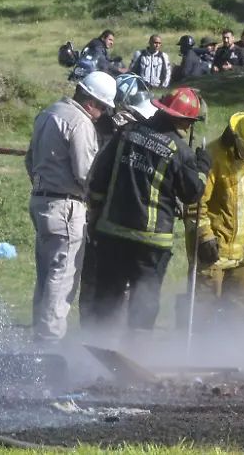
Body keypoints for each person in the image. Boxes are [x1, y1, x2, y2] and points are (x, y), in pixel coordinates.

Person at [87, 87, 211, 337]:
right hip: (151, 242)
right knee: (144, 306)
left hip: (112, 232)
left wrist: (96, 214)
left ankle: (96, 351)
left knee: (106, 299)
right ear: (180, 118)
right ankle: (135, 357)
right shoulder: (180, 151)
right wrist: (202, 167)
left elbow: (98, 178)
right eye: (189, 121)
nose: (188, 126)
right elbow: (191, 193)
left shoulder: (125, 133)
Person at [25, 71, 115, 345]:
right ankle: (50, 344)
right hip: (65, 206)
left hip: (41, 201)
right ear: (91, 103)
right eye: (102, 108)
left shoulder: (48, 113)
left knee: (45, 276)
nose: (101, 115)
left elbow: (30, 160)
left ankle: (39, 339)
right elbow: (86, 172)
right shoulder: (81, 122)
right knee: (62, 278)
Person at [79, 74, 157, 330]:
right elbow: (93, 178)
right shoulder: (101, 133)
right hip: (100, 219)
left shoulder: (129, 134)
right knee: (96, 282)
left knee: (117, 286)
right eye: (129, 115)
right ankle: (93, 336)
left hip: (121, 220)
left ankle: (110, 336)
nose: (133, 122)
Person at [185, 112, 244, 325]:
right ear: (237, 139)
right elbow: (195, 204)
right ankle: (197, 355)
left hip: (241, 254)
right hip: (213, 253)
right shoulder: (213, 158)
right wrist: (204, 236)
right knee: (203, 313)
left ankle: (235, 354)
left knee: (243, 313)